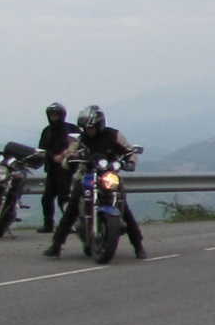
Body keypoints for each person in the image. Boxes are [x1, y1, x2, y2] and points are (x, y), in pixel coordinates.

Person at [45, 105, 146, 258]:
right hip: (86, 175)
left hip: (109, 176)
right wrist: (70, 159)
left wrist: (130, 162)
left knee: (124, 209)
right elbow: (69, 155)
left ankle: (138, 246)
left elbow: (129, 151)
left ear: (99, 124)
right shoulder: (81, 139)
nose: (89, 130)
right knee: (71, 208)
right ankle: (56, 245)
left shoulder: (113, 135)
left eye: (91, 127)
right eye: (86, 128)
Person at [38, 102, 74, 232]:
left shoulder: (71, 129)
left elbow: (80, 144)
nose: (54, 117)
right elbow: (42, 150)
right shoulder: (47, 131)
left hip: (68, 169)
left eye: (56, 114)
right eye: (51, 115)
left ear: (62, 115)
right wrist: (53, 157)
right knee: (47, 198)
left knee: (64, 198)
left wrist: (66, 155)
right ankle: (48, 225)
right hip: (52, 169)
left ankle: (70, 225)